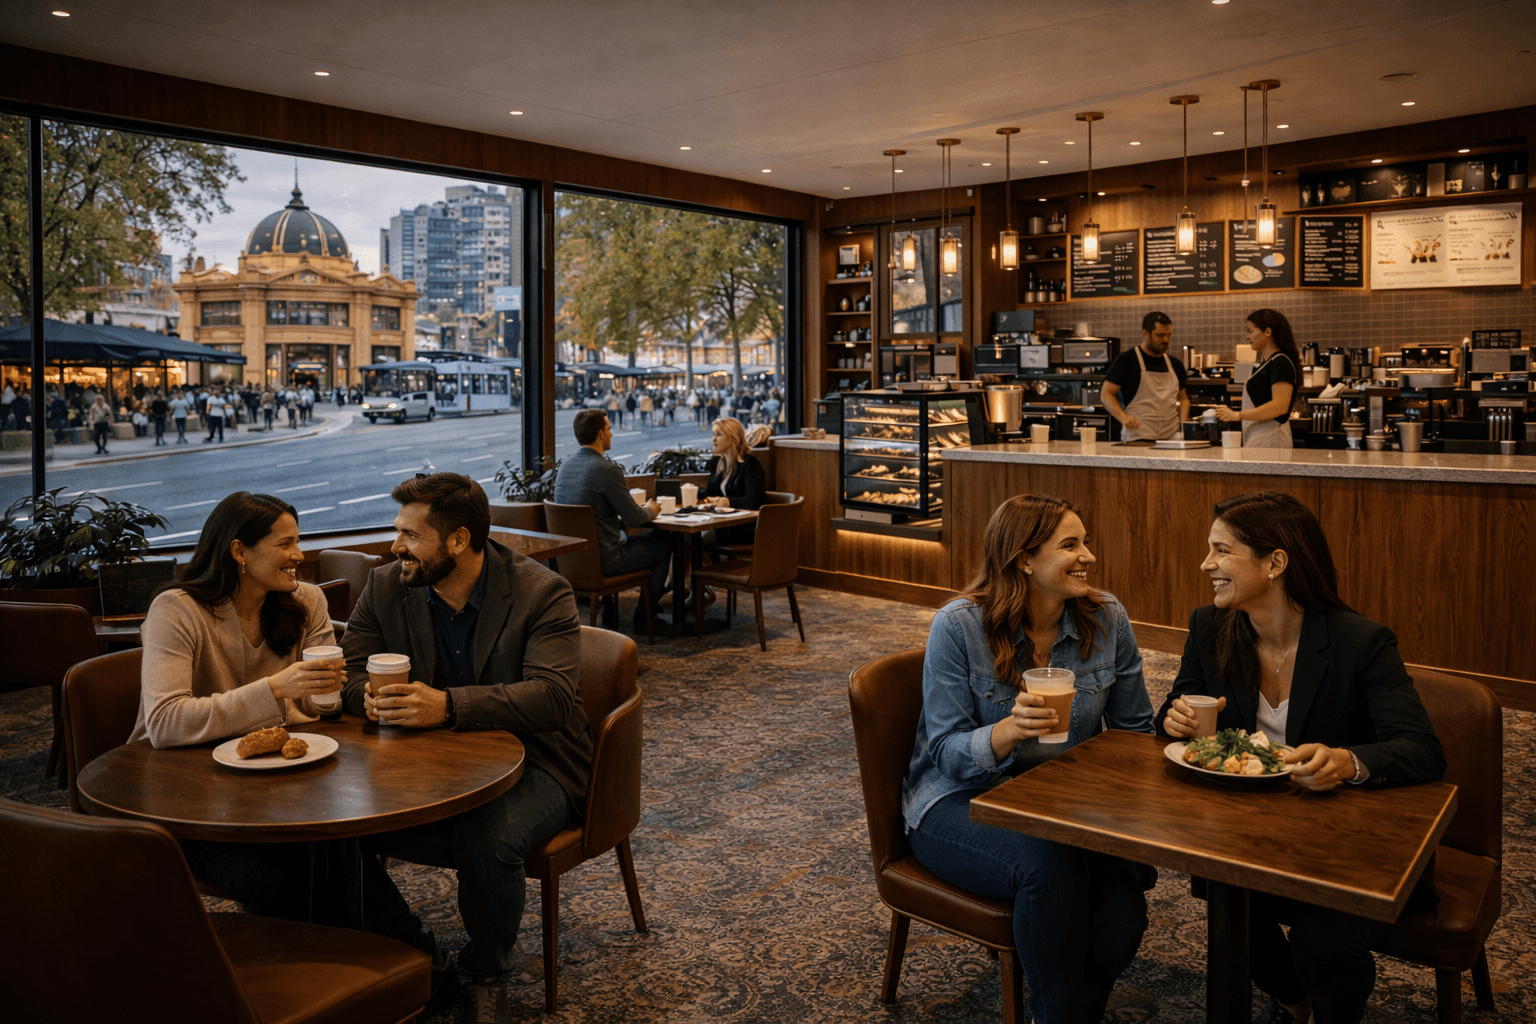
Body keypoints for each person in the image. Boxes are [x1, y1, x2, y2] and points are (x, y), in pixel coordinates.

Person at [1157, 491, 1444, 1024]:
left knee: (1323, 941)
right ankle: (1293, 1002)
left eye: (1221, 551)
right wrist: (1173, 719)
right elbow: (1175, 711)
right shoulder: (1210, 628)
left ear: (1275, 563)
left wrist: (1346, 762)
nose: (1206, 565)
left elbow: (1421, 749)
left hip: (1347, 841)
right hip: (1253, 832)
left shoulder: (1361, 642)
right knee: (1231, 912)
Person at [342, 473, 594, 1018]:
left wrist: (448, 706)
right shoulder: (386, 586)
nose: (395, 546)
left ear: (458, 540)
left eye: (411, 535)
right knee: (337, 825)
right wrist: (367, 697)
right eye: (397, 531)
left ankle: (486, 972)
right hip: (425, 759)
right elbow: (351, 671)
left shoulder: (541, 591)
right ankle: (415, 956)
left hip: (538, 759)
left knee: (488, 835)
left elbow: (551, 698)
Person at [905, 494, 1154, 1024]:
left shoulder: (1107, 618)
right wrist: (1009, 730)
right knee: (1048, 867)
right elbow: (946, 754)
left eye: (1086, 542)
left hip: (1064, 805)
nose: (1088, 556)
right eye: (1070, 545)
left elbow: (1135, 733)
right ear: (1023, 559)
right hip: (958, 800)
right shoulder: (958, 626)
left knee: (1122, 915)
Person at [130, 492, 344, 920]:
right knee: (279, 879)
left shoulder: (307, 602)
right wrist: (275, 689)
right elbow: (166, 723)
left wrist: (332, 693)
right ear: (239, 551)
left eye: (298, 541)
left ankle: (414, 951)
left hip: (274, 794)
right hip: (183, 803)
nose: (299, 555)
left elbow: (321, 709)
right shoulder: (176, 610)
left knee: (339, 855)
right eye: (285, 544)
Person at [551, 408, 672, 630]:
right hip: (606, 561)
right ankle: (645, 618)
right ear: (600, 434)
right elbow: (635, 517)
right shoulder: (606, 470)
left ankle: (611, 610)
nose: (612, 433)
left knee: (620, 536)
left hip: (571, 563)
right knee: (663, 544)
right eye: (608, 429)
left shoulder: (565, 467)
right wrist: (652, 508)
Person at [1214, 308, 1298, 448]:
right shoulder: (1267, 363)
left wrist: (1238, 415)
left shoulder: (1281, 362)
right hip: (1260, 439)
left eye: (1250, 331)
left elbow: (1280, 406)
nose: (1247, 337)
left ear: (1267, 332)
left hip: (1272, 440)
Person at [1101, 311, 1190, 442]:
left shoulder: (1175, 364)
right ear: (1145, 333)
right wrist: (1123, 417)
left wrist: (1183, 426)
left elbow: (1183, 399)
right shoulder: (1126, 360)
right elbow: (1106, 394)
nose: (1166, 340)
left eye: (1168, 335)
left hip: (1171, 438)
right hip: (1138, 435)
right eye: (1160, 335)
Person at [701, 417, 766, 547]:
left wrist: (726, 502)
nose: (713, 439)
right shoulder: (717, 463)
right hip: (723, 524)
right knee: (687, 537)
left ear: (733, 438)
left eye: (718, 435)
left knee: (695, 539)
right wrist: (691, 492)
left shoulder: (750, 464)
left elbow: (753, 502)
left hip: (744, 528)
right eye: (713, 434)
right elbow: (710, 493)